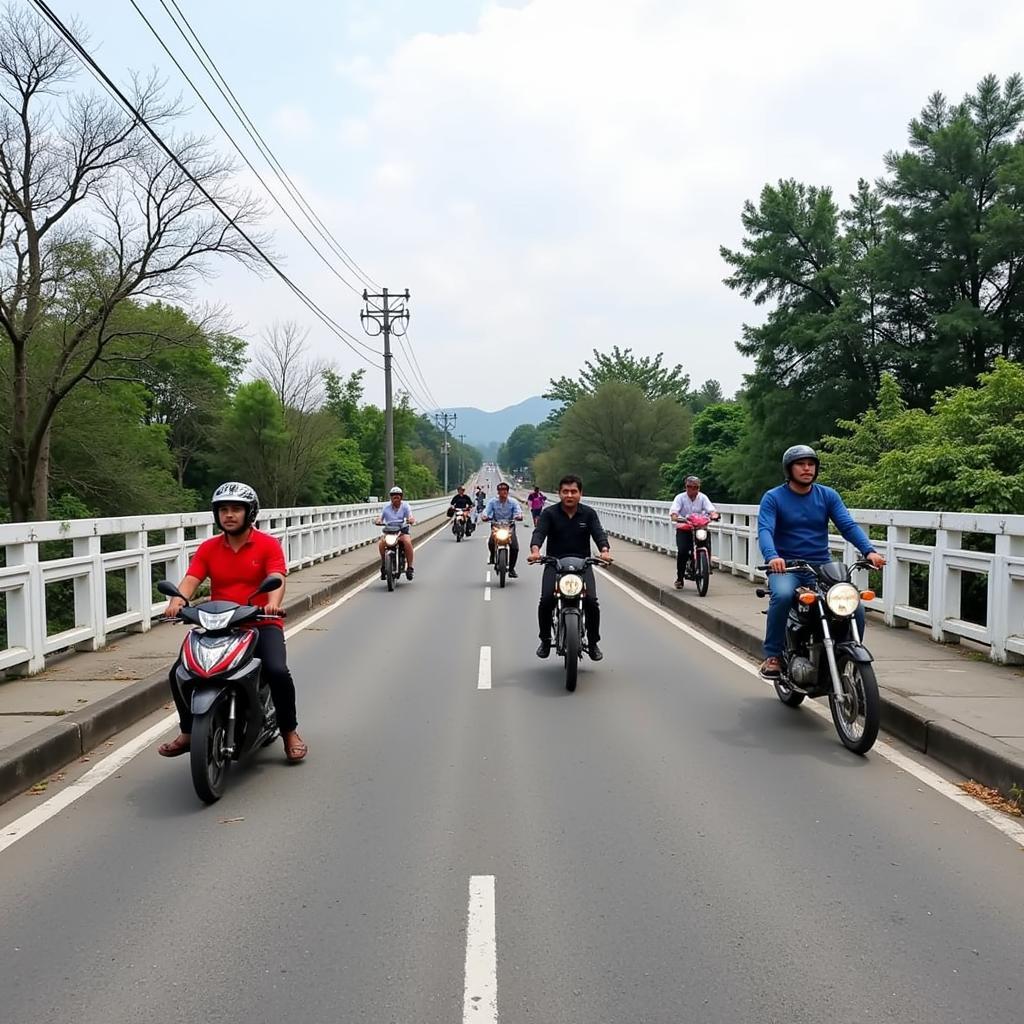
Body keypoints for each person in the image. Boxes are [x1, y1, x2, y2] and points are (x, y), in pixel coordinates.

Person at [158, 481, 308, 763]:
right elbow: (192, 578)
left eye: (236, 509)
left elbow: (277, 577)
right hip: (220, 625)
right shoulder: (209, 548)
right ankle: (189, 732)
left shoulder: (267, 545)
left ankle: (290, 732)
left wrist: (273, 604)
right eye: (223, 510)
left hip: (261, 622)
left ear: (250, 513)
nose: (229, 515)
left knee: (277, 671)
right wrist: (177, 600)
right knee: (179, 672)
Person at [757, 445, 886, 679]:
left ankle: (846, 657)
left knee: (854, 605)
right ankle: (773, 655)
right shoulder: (773, 498)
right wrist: (773, 557)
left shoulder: (827, 495)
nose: (807, 469)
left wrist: (869, 551)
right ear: (789, 469)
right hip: (787, 567)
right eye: (800, 464)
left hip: (821, 566)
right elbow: (765, 529)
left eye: (811, 464)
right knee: (783, 596)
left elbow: (847, 526)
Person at [528, 474, 612, 661]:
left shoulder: (589, 514)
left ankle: (592, 642)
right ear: (559, 493)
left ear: (580, 493)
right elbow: (539, 533)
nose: (569, 495)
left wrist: (604, 551)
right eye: (565, 491)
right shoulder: (549, 513)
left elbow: (599, 533)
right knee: (546, 600)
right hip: (554, 563)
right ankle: (545, 639)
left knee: (591, 602)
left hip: (582, 564)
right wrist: (535, 551)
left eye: (574, 491)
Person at [669, 475, 720, 589]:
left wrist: (714, 515)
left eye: (695, 487)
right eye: (689, 487)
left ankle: (707, 562)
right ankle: (680, 578)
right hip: (684, 528)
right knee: (682, 551)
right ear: (686, 487)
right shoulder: (680, 498)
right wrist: (675, 516)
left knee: (705, 541)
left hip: (699, 528)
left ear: (699, 488)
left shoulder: (703, 498)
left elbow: (711, 510)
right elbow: (674, 512)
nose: (692, 490)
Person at [481, 481, 524, 576]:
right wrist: (484, 516)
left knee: (515, 547)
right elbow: (486, 511)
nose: (503, 492)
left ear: (508, 492)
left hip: (509, 526)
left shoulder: (513, 502)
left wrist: (519, 516)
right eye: (501, 490)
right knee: (491, 542)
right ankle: (492, 556)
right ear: (498, 492)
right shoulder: (493, 502)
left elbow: (518, 511)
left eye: (505, 490)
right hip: (496, 526)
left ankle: (512, 569)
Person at [376, 485, 417, 580]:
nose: (396, 497)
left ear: (401, 497)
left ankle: (410, 567)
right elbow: (380, 517)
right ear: (391, 497)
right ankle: (384, 564)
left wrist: (411, 520)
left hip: (401, 531)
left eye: (398, 495)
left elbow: (410, 516)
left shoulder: (405, 506)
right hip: (389, 531)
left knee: (407, 542)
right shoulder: (386, 507)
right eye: (393, 495)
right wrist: (378, 521)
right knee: (381, 544)